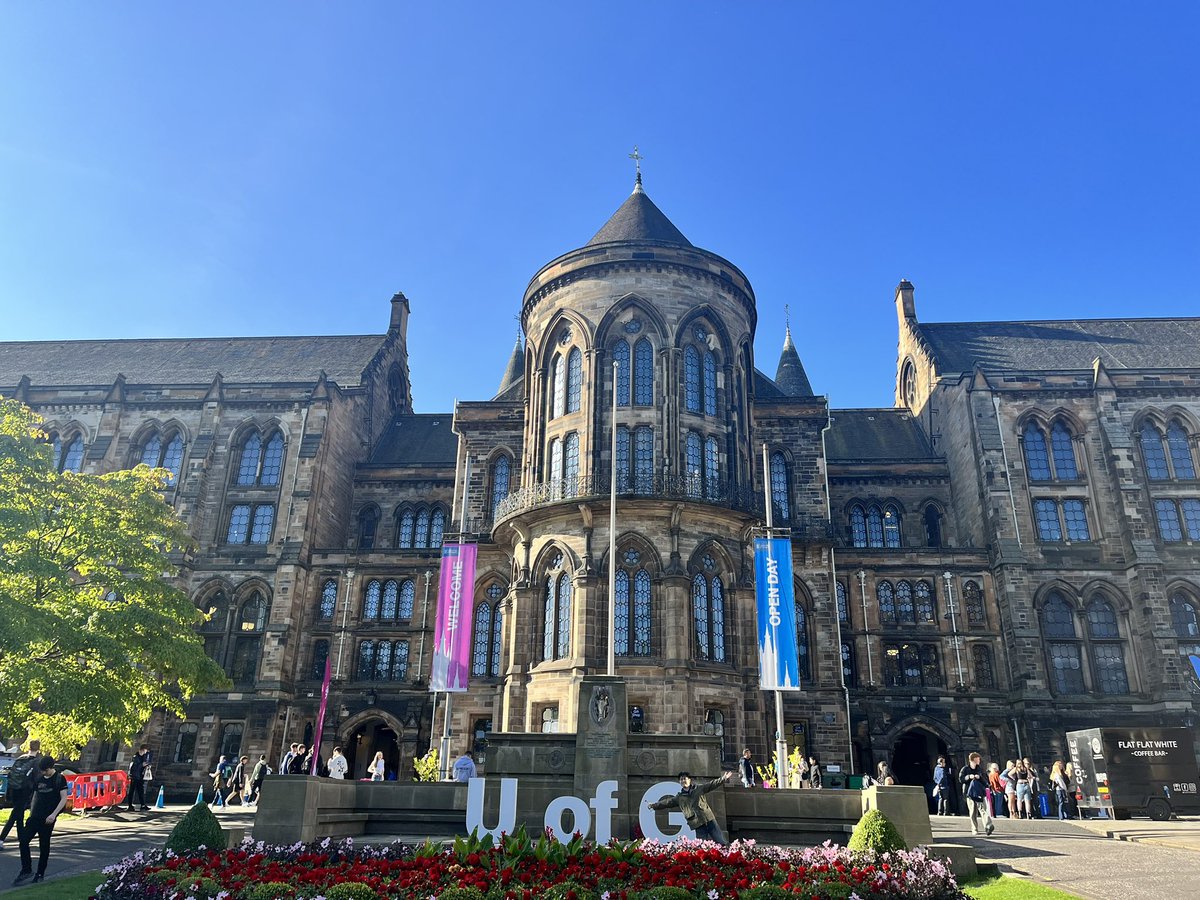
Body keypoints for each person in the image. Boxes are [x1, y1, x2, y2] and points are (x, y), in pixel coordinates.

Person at [11, 756, 69, 886]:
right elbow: (35, 796)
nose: (43, 773)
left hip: (48, 818)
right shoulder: (39, 779)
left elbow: (63, 798)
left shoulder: (59, 779)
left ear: (50, 768)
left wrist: (54, 815)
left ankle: (40, 873)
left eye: (45, 770)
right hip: (35, 816)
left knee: (44, 845)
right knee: (24, 841)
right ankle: (26, 869)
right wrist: (31, 812)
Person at [648, 771, 734, 844]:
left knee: (721, 841)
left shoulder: (699, 788)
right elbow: (667, 802)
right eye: (681, 779)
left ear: (689, 780)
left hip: (708, 819)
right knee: (701, 845)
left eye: (685, 778)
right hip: (697, 823)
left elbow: (712, 785)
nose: (683, 781)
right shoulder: (679, 797)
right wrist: (654, 805)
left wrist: (723, 779)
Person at [0, 740, 41, 850]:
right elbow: (37, 779)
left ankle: (22, 840)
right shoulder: (36, 762)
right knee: (14, 815)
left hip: (14, 790)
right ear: (38, 749)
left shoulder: (20, 758)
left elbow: (11, 775)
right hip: (25, 791)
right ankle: (1, 839)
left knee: (19, 815)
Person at [959, 752, 994, 837]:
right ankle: (974, 829)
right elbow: (961, 779)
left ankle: (988, 825)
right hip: (969, 793)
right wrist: (968, 777)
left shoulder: (979, 769)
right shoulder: (965, 769)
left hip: (979, 792)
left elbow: (983, 779)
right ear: (973, 759)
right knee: (973, 812)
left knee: (982, 809)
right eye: (978, 758)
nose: (979, 760)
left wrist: (987, 785)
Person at [126, 744, 152, 811]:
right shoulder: (136, 756)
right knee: (132, 791)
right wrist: (142, 765)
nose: (146, 752)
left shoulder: (144, 756)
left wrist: (147, 766)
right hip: (134, 776)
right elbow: (134, 767)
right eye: (146, 750)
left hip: (140, 776)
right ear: (143, 749)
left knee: (141, 791)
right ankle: (130, 805)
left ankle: (143, 805)